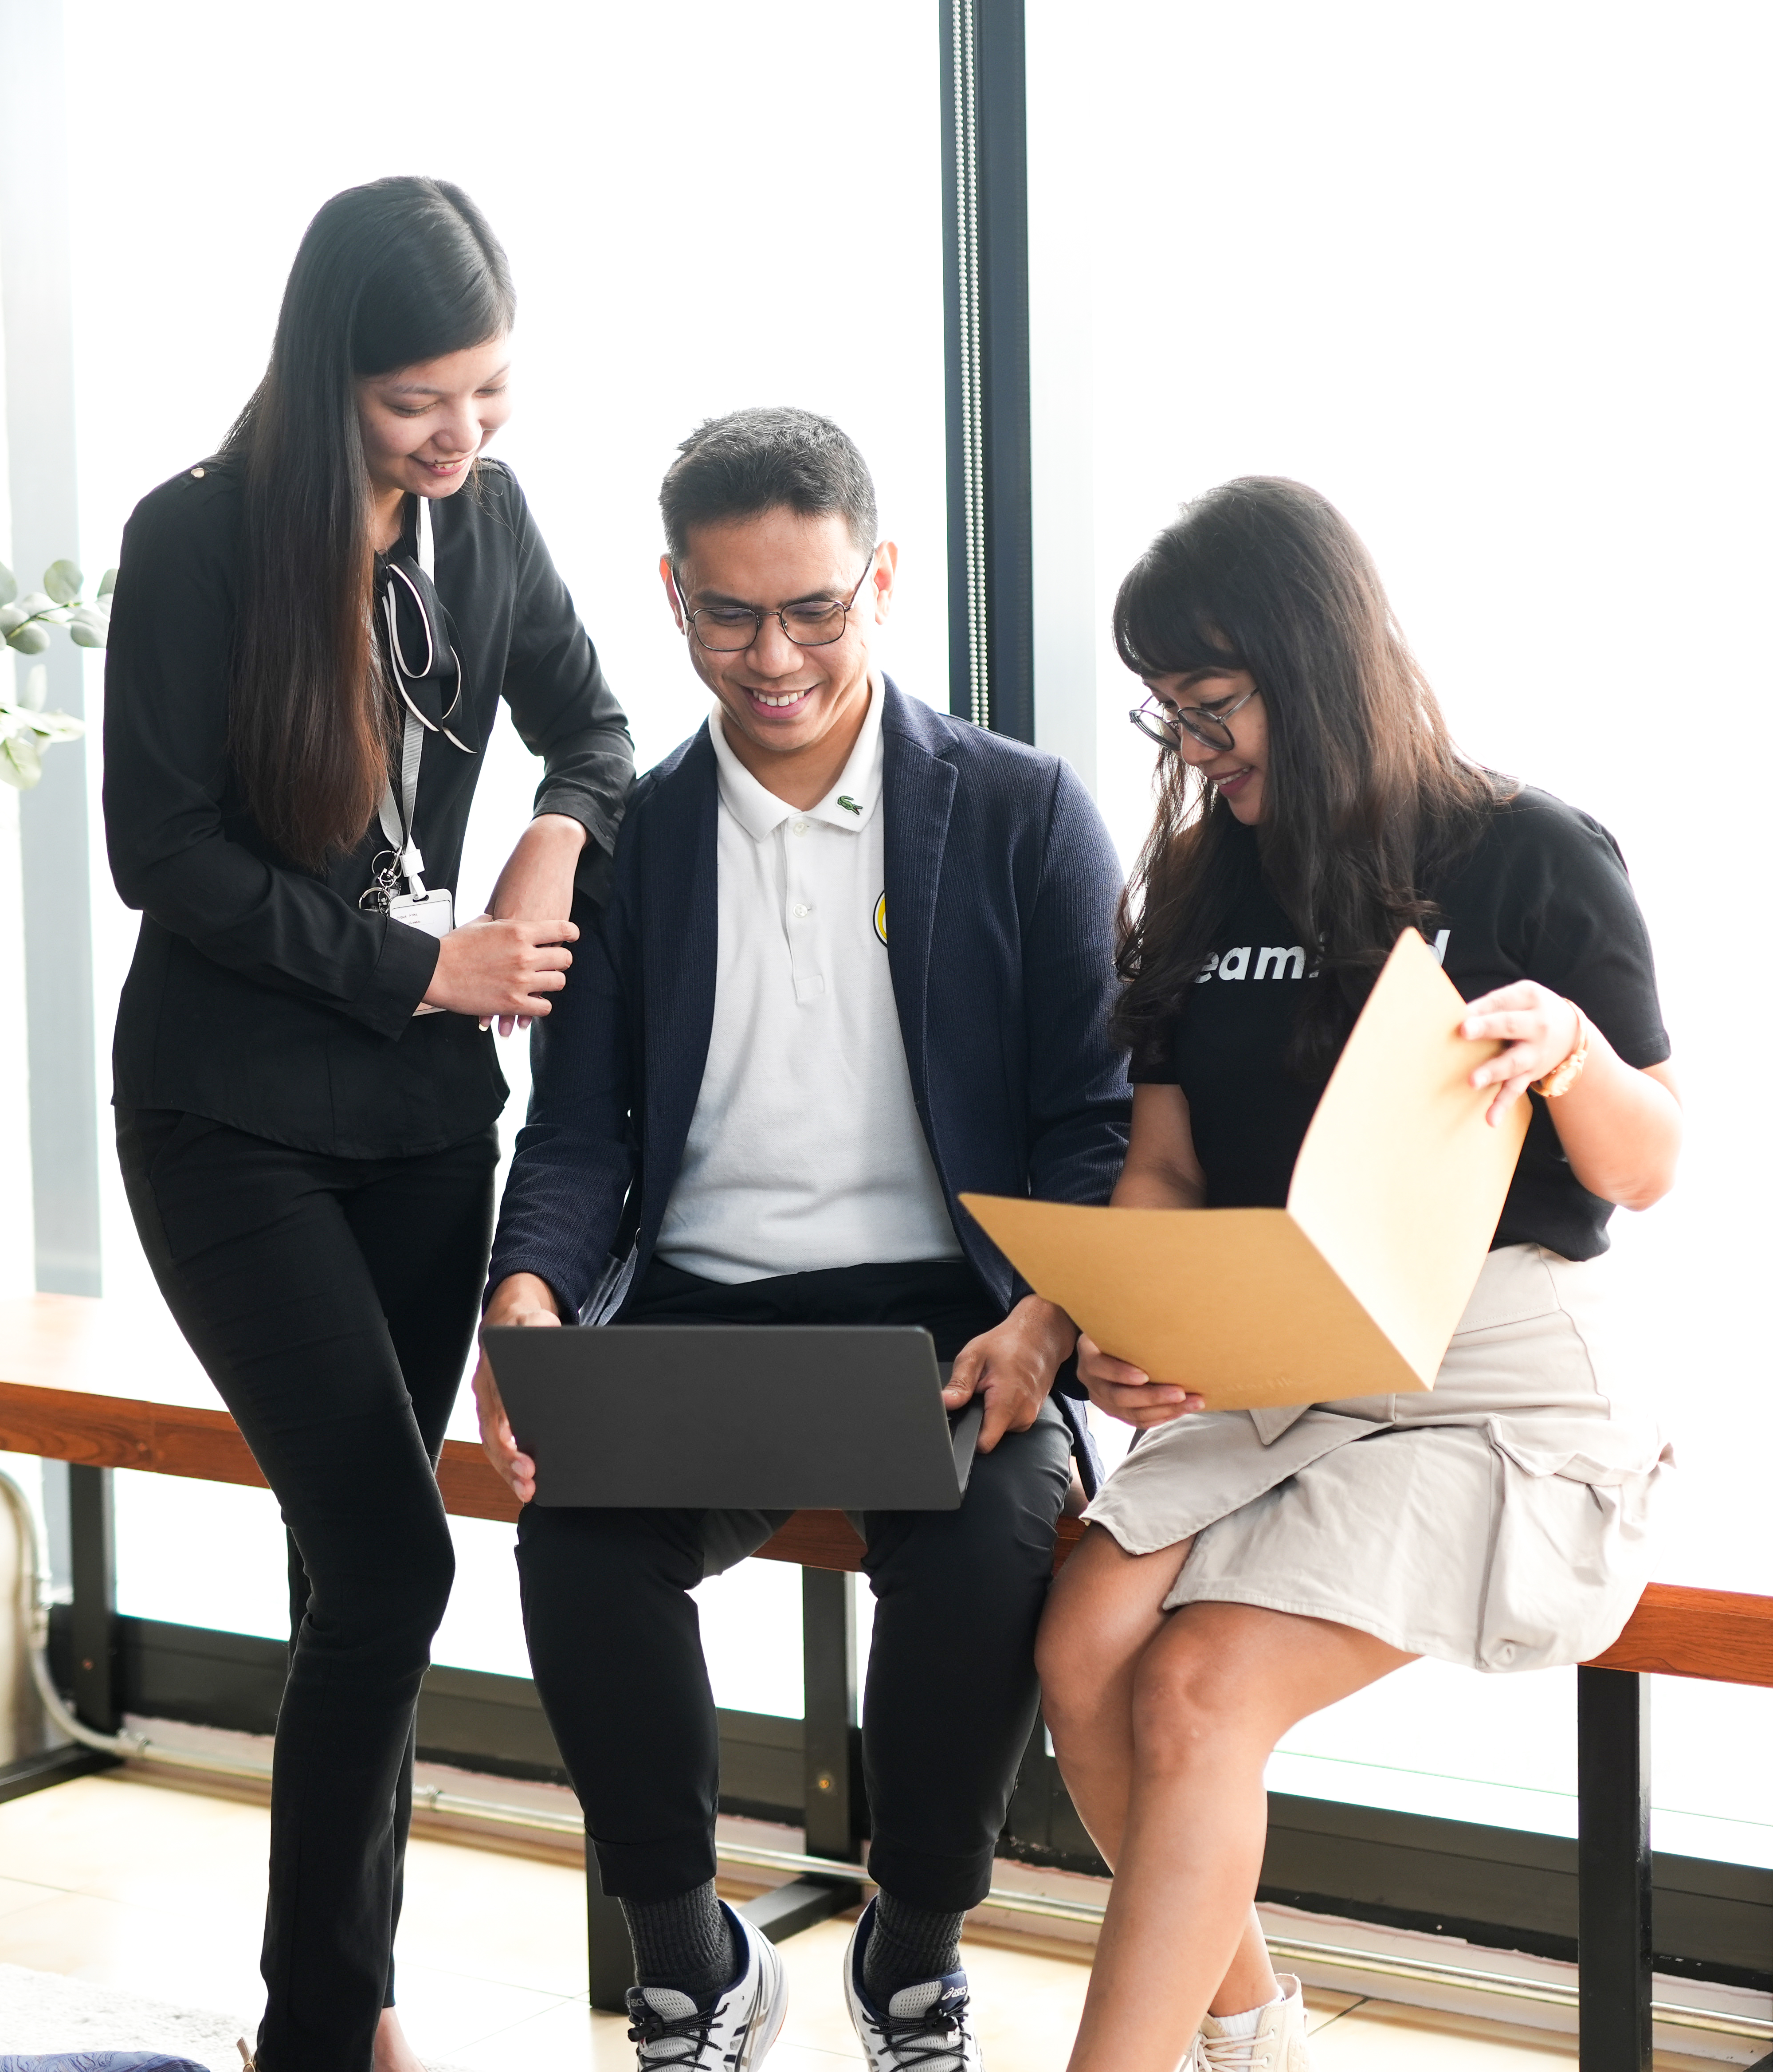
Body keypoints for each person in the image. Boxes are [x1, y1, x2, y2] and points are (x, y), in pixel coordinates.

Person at [476, 407, 1130, 2072]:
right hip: (702, 1309)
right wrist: (529, 1299)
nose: (772, 658)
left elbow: (1093, 1129)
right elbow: (575, 1135)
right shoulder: (635, 849)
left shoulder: (1024, 815)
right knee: (576, 1543)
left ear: (882, 584)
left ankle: (912, 1949)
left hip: (951, 1315)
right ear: (676, 601)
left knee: (992, 1541)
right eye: (729, 615)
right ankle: (691, 1955)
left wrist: (1050, 1317)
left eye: (814, 611)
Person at [1033, 478, 1683, 2072]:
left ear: (1312, 663)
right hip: (1288, 1348)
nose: (1195, 749)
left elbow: (1650, 1163)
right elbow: (1172, 1169)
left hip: (1501, 1374)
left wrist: (1572, 1050)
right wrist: (1136, 1316)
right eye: (1170, 713)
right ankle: (1250, 2041)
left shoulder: (1526, 852)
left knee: (1195, 1687)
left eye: (1218, 704)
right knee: (1082, 1645)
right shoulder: (1200, 886)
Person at [99, 176, 634, 2072]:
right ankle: (326, 2032)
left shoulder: (484, 522)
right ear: (332, 370)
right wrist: (427, 965)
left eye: (488, 392)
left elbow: (597, 725)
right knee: (401, 1556)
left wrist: (556, 836)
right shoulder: (197, 542)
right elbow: (158, 855)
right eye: (423, 398)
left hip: (423, 1126)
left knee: (356, 1564)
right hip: (229, 1120)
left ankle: (341, 2009)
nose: (463, 436)